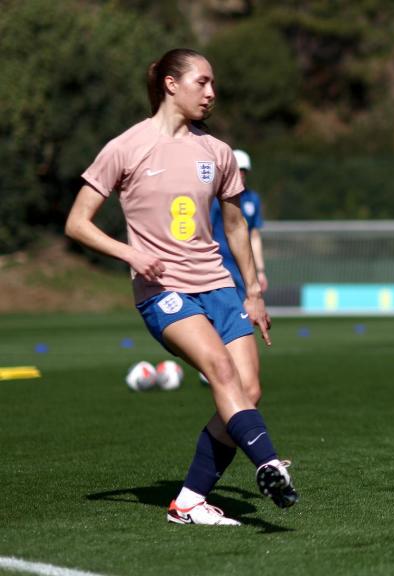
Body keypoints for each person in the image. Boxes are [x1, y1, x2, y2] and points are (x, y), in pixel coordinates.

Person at [65, 48, 298, 525]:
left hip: (220, 287)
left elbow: (235, 227)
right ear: (172, 85)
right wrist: (130, 254)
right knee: (219, 369)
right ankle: (269, 462)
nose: (211, 94)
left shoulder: (217, 152)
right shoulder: (125, 147)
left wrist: (253, 293)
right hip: (163, 291)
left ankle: (189, 500)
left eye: (214, 85)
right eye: (202, 83)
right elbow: (77, 223)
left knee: (247, 391)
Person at [210, 149, 267, 299]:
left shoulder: (252, 199)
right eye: (237, 170)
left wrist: (260, 270)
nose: (240, 174)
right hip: (220, 263)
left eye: (243, 171)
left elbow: (254, 236)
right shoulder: (215, 199)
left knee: (247, 309)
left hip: (243, 265)